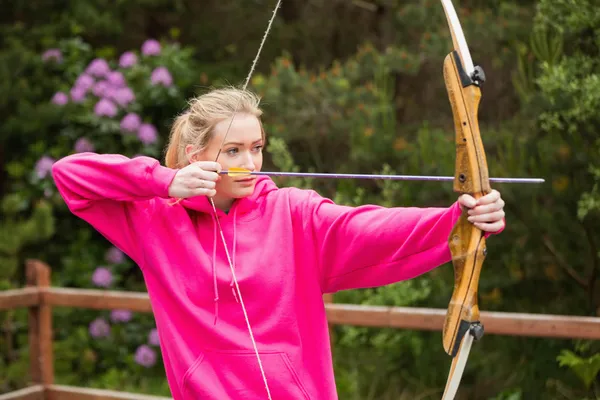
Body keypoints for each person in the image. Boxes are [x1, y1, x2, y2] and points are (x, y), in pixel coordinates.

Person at [52, 87, 506, 400]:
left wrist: (460, 221)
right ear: (197, 157)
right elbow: (70, 175)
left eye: (257, 147)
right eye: (233, 150)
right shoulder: (155, 220)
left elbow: (368, 229)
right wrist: (166, 182)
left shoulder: (294, 213)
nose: (250, 162)